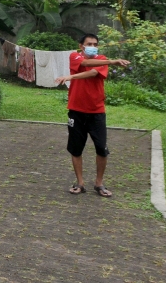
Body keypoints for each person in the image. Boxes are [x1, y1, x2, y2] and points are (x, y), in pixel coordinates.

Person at [55, 33, 130, 197]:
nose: (93, 47)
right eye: (90, 44)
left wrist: (71, 76)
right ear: (81, 45)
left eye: (95, 44)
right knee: (76, 149)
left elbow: (93, 72)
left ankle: (99, 183)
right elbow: (85, 63)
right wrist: (113, 61)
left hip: (97, 112)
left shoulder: (102, 59)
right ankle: (80, 183)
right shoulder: (74, 55)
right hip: (76, 110)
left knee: (102, 149)